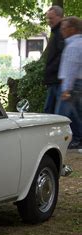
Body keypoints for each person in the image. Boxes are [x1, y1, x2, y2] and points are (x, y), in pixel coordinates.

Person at [57, 16, 82, 149]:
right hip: (77, 84)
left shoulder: (73, 46)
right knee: (77, 114)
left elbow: (72, 69)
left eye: (64, 28)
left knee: (62, 116)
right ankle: (78, 139)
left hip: (72, 85)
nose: (62, 30)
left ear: (72, 29)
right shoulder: (78, 43)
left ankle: (66, 141)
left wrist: (66, 89)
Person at [43, 5, 64, 114]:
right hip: (54, 80)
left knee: (52, 112)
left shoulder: (61, 32)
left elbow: (62, 55)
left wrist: (50, 69)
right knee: (51, 110)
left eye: (51, 18)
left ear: (59, 17)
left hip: (57, 80)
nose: (49, 21)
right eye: (48, 18)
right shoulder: (56, 32)